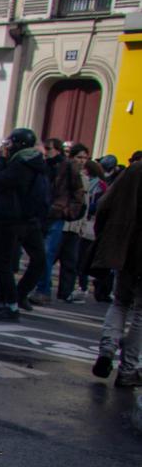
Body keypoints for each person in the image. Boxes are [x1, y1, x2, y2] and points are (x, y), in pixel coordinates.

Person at [0, 128, 50, 321]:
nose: (7, 146)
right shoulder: (36, 162)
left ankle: (11, 305)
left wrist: (1, 159)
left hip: (10, 219)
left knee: (4, 263)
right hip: (31, 220)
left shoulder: (19, 164)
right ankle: (0, 302)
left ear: (19, 144)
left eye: (10, 143)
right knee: (37, 259)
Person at [92, 160, 142, 387]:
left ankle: (107, 348)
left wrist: (106, 237)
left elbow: (104, 204)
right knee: (140, 313)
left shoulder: (134, 170)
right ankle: (128, 368)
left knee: (120, 302)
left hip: (125, 247)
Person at [47, 140, 88, 300]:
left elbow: (84, 203)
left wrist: (82, 224)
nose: (82, 161)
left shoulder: (84, 178)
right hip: (62, 221)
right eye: (79, 157)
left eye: (85, 158)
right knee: (50, 255)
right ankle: (42, 286)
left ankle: (65, 292)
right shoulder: (65, 172)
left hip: (75, 226)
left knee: (70, 261)